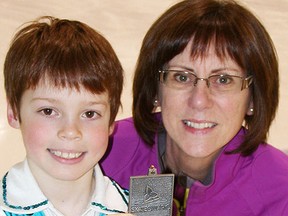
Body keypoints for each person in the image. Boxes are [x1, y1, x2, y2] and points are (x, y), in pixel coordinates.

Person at [101, 0, 288, 215]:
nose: (199, 100)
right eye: (181, 77)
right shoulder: (100, 153)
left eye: (224, 80)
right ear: (155, 90)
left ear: (253, 99)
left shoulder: (281, 193)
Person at [0, 16, 131, 216]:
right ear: (14, 113)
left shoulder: (132, 208)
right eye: (48, 111)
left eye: (89, 113)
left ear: (111, 121)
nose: (71, 132)